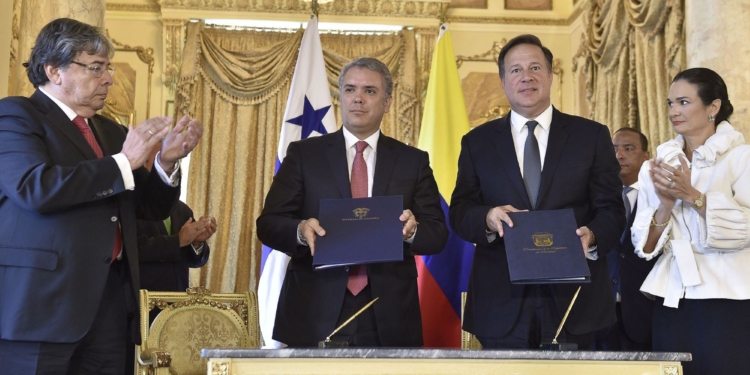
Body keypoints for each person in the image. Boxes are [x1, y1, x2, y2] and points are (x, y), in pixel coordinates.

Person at [0, 18, 203, 374]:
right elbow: (35, 188)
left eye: (107, 68)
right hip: (40, 308)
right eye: (96, 68)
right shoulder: (16, 116)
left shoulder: (110, 131)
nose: (109, 77)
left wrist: (165, 163)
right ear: (54, 71)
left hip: (110, 307)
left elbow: (149, 208)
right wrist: (124, 162)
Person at [256, 57, 448, 347]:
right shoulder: (303, 155)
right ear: (341, 97)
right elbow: (268, 224)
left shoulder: (412, 161)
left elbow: (437, 234)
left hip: (388, 312)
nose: (358, 98)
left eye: (370, 91)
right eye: (349, 89)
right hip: (313, 307)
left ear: (387, 102)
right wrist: (300, 230)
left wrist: (413, 231)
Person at [450, 34, 624, 349]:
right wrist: (487, 218)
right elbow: (460, 212)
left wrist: (593, 234)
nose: (526, 77)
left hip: (575, 299)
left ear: (550, 75)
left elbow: (612, 209)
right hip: (501, 300)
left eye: (535, 67)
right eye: (515, 70)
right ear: (503, 81)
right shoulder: (477, 142)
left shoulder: (591, 136)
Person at [632, 67, 750, 374]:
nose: (674, 111)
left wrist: (694, 196)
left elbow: (746, 227)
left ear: (713, 107)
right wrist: (666, 207)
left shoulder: (742, 158)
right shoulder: (656, 165)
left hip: (728, 295)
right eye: (670, 104)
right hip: (673, 296)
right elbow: (643, 246)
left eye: (684, 102)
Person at [593, 128, 654, 351]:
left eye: (628, 149)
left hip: (643, 314)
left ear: (646, 155)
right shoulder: (594, 199)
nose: (619, 155)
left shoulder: (658, 198)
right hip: (598, 314)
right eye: (614, 149)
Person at [137, 200, 216, 295]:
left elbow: (196, 262)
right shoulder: (132, 206)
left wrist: (196, 243)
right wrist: (178, 241)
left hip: (179, 300)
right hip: (143, 299)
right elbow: (134, 250)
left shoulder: (183, 209)